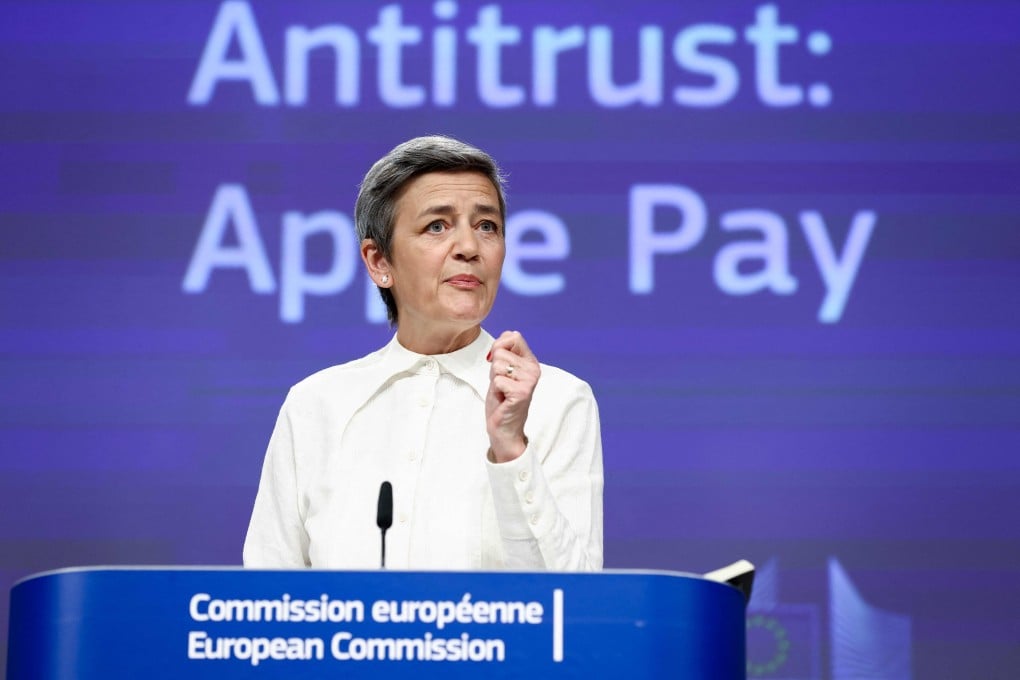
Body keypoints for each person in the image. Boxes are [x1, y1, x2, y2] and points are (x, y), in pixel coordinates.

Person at [242, 136, 603, 571]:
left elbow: (573, 605)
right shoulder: (316, 405)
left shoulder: (558, 401)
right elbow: (265, 598)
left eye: (487, 225)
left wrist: (511, 447)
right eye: (437, 226)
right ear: (379, 262)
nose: (469, 247)